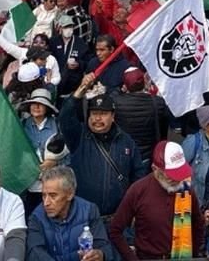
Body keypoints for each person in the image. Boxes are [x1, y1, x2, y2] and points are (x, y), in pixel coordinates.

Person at [59, 73, 146, 217]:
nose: (97, 118)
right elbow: (65, 116)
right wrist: (80, 89)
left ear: (113, 117)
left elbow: (138, 174)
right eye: (94, 113)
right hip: (83, 217)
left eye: (103, 114)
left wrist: (133, 209)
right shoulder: (79, 136)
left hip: (117, 219)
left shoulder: (126, 141)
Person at [109, 140, 205, 261]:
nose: (176, 179)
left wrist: (194, 255)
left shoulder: (186, 190)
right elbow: (115, 230)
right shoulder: (138, 190)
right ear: (155, 169)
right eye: (171, 175)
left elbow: (198, 225)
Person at [26, 167, 112, 261]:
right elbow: (35, 252)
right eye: (43, 195)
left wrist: (100, 255)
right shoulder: (36, 218)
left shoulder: (89, 211)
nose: (46, 202)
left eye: (53, 195)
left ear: (70, 194)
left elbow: (104, 247)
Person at [113, 68, 170, 165]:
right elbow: (164, 127)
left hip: (124, 152)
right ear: (144, 82)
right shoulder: (158, 102)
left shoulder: (117, 102)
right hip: (149, 154)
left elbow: (109, 98)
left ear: (126, 85)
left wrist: (119, 90)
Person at [19, 89, 61, 215]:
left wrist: (55, 162)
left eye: (41, 104)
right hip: (28, 185)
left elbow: (68, 154)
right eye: (34, 103)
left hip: (52, 184)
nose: (36, 107)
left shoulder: (57, 126)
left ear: (47, 108)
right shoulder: (22, 125)